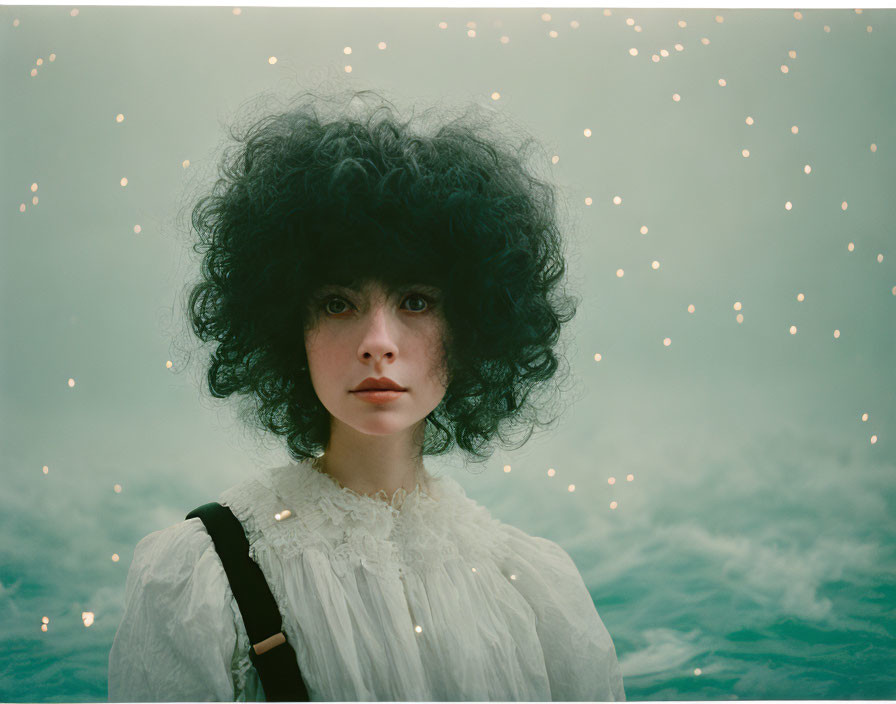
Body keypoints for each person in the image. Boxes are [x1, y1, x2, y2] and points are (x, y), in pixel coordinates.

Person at [108, 87, 625, 701]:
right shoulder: (201, 573)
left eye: (416, 301)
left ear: (473, 326)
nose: (378, 342)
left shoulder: (540, 590)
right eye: (337, 303)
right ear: (286, 328)